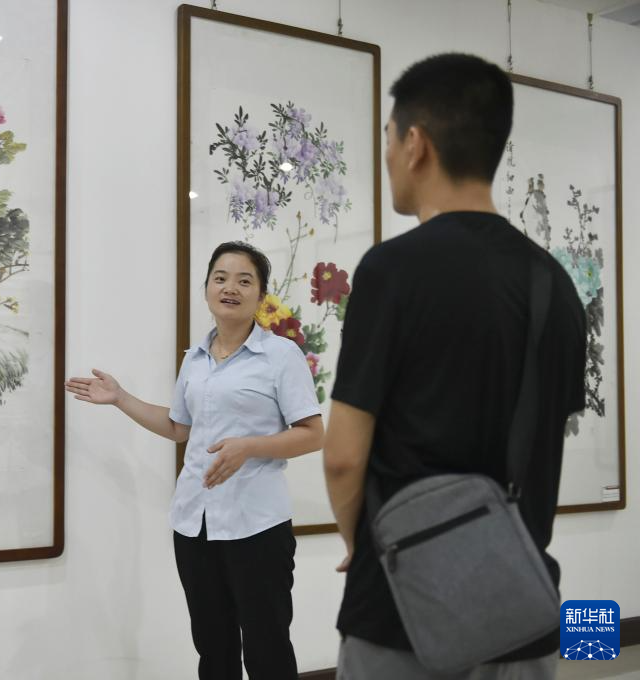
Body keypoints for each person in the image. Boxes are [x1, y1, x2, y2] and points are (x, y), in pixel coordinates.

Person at [323, 53, 586, 679]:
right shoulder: (555, 284)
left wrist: (371, 544)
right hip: (521, 611)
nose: (388, 154)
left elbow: (342, 457)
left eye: (390, 137)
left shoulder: (392, 270)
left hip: (402, 614)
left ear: (416, 144)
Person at [66, 241, 324, 680]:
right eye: (220, 278)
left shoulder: (282, 356)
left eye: (244, 281)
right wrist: (121, 398)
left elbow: (313, 434)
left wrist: (250, 446)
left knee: (267, 648)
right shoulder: (195, 358)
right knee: (212, 646)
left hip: (256, 526)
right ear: (206, 288)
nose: (230, 288)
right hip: (194, 524)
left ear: (261, 296)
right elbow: (178, 428)